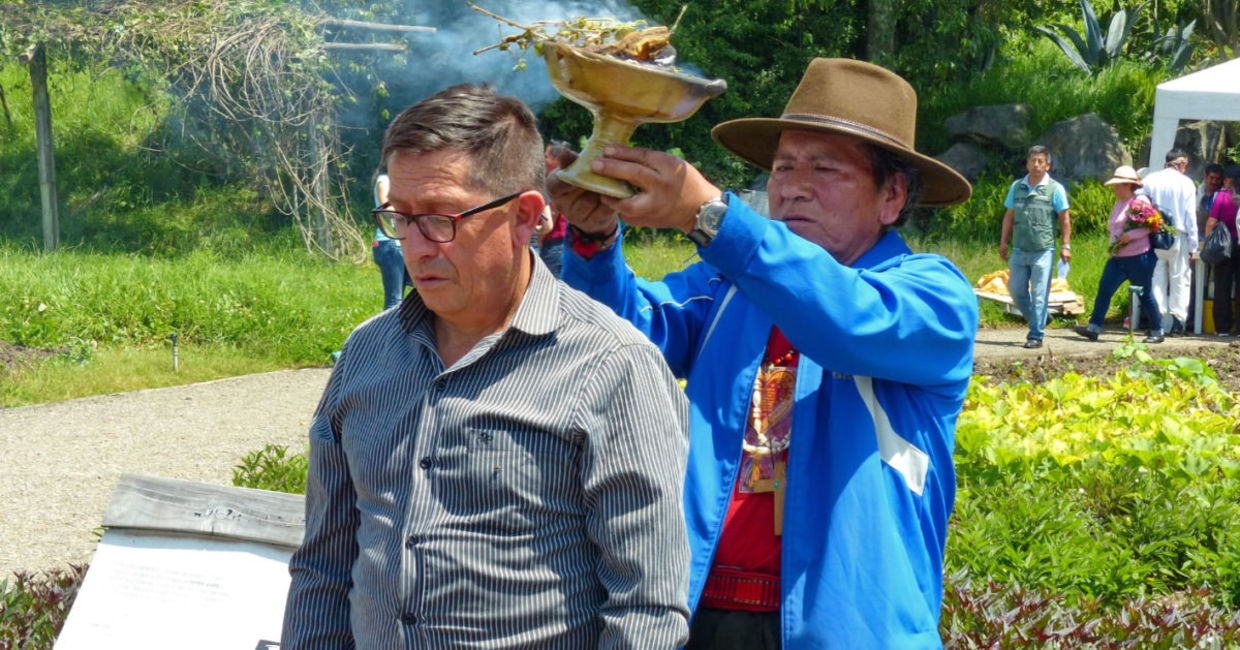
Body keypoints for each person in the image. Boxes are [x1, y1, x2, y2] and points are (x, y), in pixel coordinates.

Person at [550, 58, 978, 648]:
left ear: (892, 196)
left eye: (825, 169)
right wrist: (593, 241)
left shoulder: (932, 296)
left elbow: (844, 321)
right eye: (783, 166)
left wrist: (712, 218)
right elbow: (623, 337)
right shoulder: (728, 285)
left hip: (845, 629)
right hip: (695, 612)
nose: (793, 184)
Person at [282, 83, 692, 649]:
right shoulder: (367, 353)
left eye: (442, 217)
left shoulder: (613, 367)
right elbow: (324, 569)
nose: (417, 245)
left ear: (525, 217)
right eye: (399, 217)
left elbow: (647, 608)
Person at [1073, 166, 1164, 344]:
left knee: (1144, 293)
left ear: (1127, 185)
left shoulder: (1140, 201)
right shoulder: (1119, 203)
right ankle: (1094, 328)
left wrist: (1129, 236)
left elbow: (1148, 226)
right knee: (1105, 288)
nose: (1114, 189)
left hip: (1138, 257)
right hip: (1118, 257)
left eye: (1117, 185)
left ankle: (1157, 330)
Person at [998, 145, 1072, 349]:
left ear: (1048, 165)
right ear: (1027, 163)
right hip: (1019, 249)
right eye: (1033, 160)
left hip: (1043, 250)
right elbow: (1009, 215)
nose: (1036, 165)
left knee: (1040, 294)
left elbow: (1064, 219)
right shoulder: (1017, 187)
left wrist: (1066, 246)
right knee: (1015, 290)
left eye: (1041, 161)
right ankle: (1041, 318)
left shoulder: (1055, 189)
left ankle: (1036, 335)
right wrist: (1003, 241)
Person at [1141, 149, 1199, 336]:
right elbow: (1191, 216)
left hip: (1155, 234)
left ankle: (1157, 320)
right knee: (1179, 278)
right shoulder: (1187, 183)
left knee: (1156, 278)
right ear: (1181, 163)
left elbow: (1140, 205)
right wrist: (1193, 245)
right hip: (1179, 235)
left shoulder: (1150, 179)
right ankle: (1176, 322)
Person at [1204, 164, 1240, 336]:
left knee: (1222, 286)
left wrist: (1209, 242)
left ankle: (1223, 327)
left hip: (1224, 246)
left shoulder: (1222, 196)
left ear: (1227, 180)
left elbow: (1211, 222)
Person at [371, 169, 413, 310]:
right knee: (394, 300)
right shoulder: (384, 180)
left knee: (421, 293)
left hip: (399, 245)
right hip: (389, 244)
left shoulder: (398, 183)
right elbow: (387, 208)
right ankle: (389, 331)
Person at [535, 140, 574, 277]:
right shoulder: (572, 180)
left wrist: (540, 238)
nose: (544, 160)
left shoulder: (554, 183)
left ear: (556, 159)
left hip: (553, 244)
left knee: (552, 285)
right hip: (569, 241)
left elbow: (552, 215)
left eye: (547, 156)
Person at [1198, 163, 1225, 233]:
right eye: (1212, 178)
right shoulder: (1196, 194)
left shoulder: (1223, 197)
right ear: (1205, 176)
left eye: (1218, 179)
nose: (1214, 182)